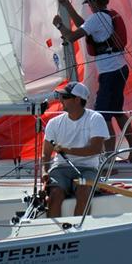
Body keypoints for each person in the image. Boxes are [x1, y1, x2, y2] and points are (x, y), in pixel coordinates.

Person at [53, 0, 132, 161]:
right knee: (117, 112)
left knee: (102, 116)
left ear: (94, 2)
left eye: (89, 3)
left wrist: (59, 25)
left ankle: (108, 159)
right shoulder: (105, 16)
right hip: (118, 69)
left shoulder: (97, 18)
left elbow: (71, 37)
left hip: (110, 72)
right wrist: (67, 5)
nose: (89, 6)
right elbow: (82, 24)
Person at [42, 81, 109, 217]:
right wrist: (44, 172)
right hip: (60, 168)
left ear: (77, 100)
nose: (61, 100)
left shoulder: (95, 118)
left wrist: (66, 150)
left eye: (65, 97)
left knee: (83, 192)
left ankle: (78, 233)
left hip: (88, 168)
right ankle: (54, 234)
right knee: (55, 194)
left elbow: (96, 149)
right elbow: (46, 153)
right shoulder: (54, 123)